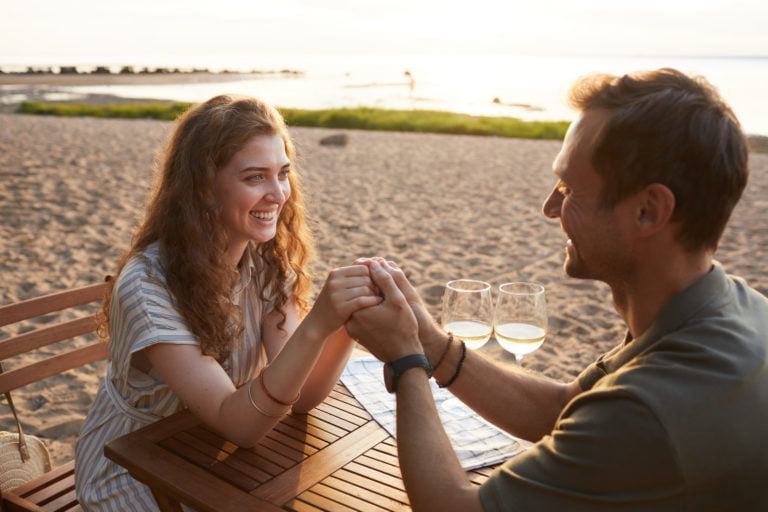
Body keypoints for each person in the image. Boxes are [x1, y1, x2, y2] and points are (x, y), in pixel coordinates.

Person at [346, 68, 768, 511]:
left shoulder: (649, 408)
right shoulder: (730, 306)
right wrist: (431, 342)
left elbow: (450, 507)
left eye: (569, 187)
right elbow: (565, 409)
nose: (550, 208)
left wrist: (406, 361)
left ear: (648, 211)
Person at [74, 94, 380, 511]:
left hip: (210, 454)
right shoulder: (147, 286)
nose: (278, 194)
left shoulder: (266, 259)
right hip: (135, 466)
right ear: (202, 189)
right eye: (255, 177)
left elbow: (304, 394)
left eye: (283, 173)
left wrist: (344, 324)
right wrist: (317, 323)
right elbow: (240, 424)